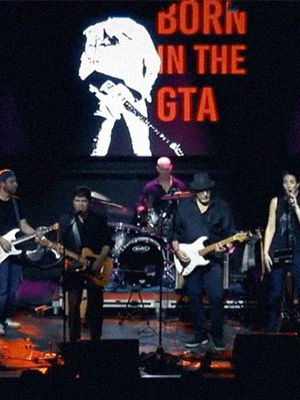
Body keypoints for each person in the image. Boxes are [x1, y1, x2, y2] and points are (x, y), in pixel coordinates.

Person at [78, 17, 161, 157]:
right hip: (104, 97)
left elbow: (153, 62)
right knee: (97, 147)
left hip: (134, 95)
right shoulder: (92, 34)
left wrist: (142, 91)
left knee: (141, 147)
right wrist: (103, 83)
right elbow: (83, 71)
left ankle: (144, 176)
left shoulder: (137, 31)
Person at [170, 172, 235, 350]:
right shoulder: (184, 207)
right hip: (189, 259)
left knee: (216, 297)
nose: (206, 194)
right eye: (202, 191)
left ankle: (217, 335)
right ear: (195, 191)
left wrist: (227, 247)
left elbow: (230, 236)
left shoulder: (221, 207)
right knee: (194, 297)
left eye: (208, 190)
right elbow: (174, 234)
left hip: (213, 260)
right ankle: (200, 334)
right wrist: (177, 251)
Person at [0, 169, 35, 336]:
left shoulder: (16, 203)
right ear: (2, 184)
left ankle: (6, 317)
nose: (16, 184)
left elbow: (23, 226)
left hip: (14, 250)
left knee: (13, 286)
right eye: (12, 182)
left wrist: (37, 235)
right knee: (1, 287)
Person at [263, 170, 300, 346]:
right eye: (285, 182)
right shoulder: (276, 202)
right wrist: (265, 252)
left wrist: (295, 206)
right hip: (279, 250)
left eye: (292, 182)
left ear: (297, 184)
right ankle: (272, 331)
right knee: (275, 294)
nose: (289, 185)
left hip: (298, 251)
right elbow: (270, 227)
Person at [59, 186, 113, 342]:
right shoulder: (66, 220)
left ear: (89, 202)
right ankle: (73, 339)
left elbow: (108, 242)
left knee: (95, 306)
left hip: (95, 267)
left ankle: (96, 339)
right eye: (77, 201)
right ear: (73, 202)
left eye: (83, 201)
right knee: (73, 305)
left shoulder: (98, 219)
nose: (80, 204)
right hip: (75, 266)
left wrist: (100, 260)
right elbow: (62, 244)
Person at [138, 157, 186, 236]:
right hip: (156, 226)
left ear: (171, 168)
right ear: (157, 169)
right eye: (162, 169)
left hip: (176, 226)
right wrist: (142, 210)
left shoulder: (179, 185)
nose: (165, 172)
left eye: (167, 169)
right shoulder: (150, 187)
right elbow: (140, 205)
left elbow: (187, 206)